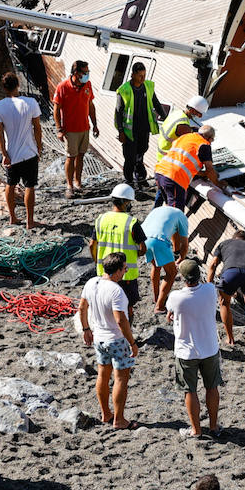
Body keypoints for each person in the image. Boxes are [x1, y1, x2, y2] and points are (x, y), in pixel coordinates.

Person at [79, 251, 141, 429]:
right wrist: (132, 342)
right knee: (121, 379)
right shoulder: (116, 291)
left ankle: (106, 413)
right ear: (118, 270)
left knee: (103, 375)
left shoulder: (92, 283)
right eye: (124, 268)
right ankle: (119, 419)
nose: (125, 271)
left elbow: (82, 307)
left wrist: (86, 329)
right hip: (116, 339)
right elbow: (121, 320)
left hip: (99, 338)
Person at [167, 259, 221, 438]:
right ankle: (213, 426)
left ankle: (196, 430)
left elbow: (169, 312)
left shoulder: (176, 297)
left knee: (190, 390)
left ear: (183, 278)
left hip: (186, 350)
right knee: (212, 388)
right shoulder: (210, 290)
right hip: (210, 347)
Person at [0, 71, 44, 230]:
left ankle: (13, 217)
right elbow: (37, 128)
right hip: (29, 152)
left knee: (10, 184)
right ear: (18, 84)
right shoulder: (31, 102)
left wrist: (4, 154)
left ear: (4, 87)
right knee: (30, 186)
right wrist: (39, 148)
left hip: (11, 154)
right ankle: (30, 221)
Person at [88, 184, 148, 312]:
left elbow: (92, 244)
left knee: (107, 306)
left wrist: (97, 262)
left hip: (104, 272)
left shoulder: (101, 219)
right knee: (127, 307)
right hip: (126, 275)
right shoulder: (131, 222)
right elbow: (143, 248)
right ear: (125, 202)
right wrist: (136, 254)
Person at [52, 59, 99, 198]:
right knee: (70, 157)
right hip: (70, 130)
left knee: (81, 156)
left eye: (87, 72)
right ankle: (69, 186)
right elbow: (56, 109)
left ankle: (78, 183)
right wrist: (59, 129)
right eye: (85, 72)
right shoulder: (62, 87)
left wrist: (95, 124)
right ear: (76, 73)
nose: (87, 75)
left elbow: (90, 105)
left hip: (84, 127)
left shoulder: (87, 85)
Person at [115, 62, 166, 188]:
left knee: (141, 154)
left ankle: (140, 179)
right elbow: (118, 112)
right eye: (140, 76)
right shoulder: (124, 90)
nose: (142, 78)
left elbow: (156, 103)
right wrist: (121, 131)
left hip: (144, 129)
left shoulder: (148, 87)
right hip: (130, 132)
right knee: (130, 158)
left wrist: (166, 118)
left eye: (144, 75)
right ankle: (129, 182)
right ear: (133, 75)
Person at [207, 229, 245, 347]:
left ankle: (230, 339)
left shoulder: (224, 243)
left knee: (224, 303)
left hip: (230, 273)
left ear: (233, 238)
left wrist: (208, 286)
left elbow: (212, 265)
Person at [154, 124, 226, 209]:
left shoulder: (186, 137)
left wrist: (203, 174)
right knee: (176, 213)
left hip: (160, 172)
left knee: (168, 209)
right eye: (212, 140)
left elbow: (185, 163)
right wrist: (218, 184)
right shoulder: (204, 145)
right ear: (210, 138)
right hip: (174, 178)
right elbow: (210, 170)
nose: (211, 142)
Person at [141, 203, 190, 313]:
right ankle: (159, 306)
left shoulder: (159, 210)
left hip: (143, 239)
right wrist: (182, 258)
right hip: (158, 241)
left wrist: (175, 251)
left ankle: (156, 297)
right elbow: (185, 244)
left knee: (156, 266)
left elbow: (174, 234)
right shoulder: (181, 216)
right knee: (172, 273)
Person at [154, 94, 208, 168]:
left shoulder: (177, 113)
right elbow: (190, 143)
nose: (199, 117)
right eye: (199, 114)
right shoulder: (182, 124)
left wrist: (192, 129)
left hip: (162, 155)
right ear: (192, 110)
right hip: (169, 159)